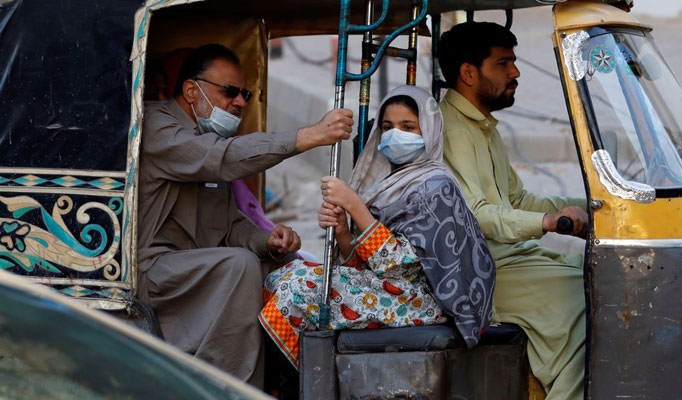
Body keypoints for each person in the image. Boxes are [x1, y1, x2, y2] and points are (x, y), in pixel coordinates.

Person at [137, 43, 353, 387]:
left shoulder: (206, 136)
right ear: (192, 91)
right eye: (229, 92)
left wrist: (266, 240)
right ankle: (225, 388)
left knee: (287, 266)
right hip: (153, 272)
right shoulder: (157, 126)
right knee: (239, 266)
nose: (239, 102)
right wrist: (307, 136)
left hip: (194, 271)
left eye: (244, 94)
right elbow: (219, 158)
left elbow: (228, 225)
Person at [259, 85, 495, 368]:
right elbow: (361, 263)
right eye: (387, 127)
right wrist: (345, 231)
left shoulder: (436, 188)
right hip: (389, 287)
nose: (396, 135)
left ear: (429, 131)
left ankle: (308, 382)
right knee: (283, 275)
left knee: (298, 290)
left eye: (408, 127)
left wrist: (355, 206)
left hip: (421, 299)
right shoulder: (387, 184)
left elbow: (401, 264)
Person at [438, 22, 588, 400]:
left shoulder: (483, 127)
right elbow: (477, 214)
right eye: (504, 63)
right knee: (592, 308)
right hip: (486, 272)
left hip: (516, 258)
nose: (516, 72)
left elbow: (516, 201)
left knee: (595, 277)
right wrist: (547, 223)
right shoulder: (450, 129)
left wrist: (592, 207)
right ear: (469, 73)